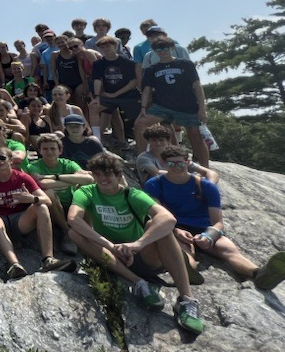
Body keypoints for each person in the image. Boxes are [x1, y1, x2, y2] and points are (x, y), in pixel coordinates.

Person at [67, 152, 204, 335]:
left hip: (144, 255)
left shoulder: (132, 195)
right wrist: (109, 245)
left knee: (158, 226)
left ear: (118, 175)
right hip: (113, 254)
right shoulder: (87, 192)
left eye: (107, 174)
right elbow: (73, 219)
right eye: (97, 174)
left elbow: (168, 218)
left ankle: (186, 300)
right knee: (74, 233)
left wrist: (136, 245)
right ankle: (140, 283)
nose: (102, 179)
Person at [143, 146, 285, 291]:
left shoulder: (205, 186)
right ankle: (188, 272)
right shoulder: (154, 185)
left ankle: (259, 274)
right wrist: (175, 231)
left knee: (228, 250)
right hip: (175, 227)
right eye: (171, 164)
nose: (176, 167)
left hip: (204, 229)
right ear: (163, 163)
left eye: (179, 163)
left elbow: (218, 223)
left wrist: (208, 236)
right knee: (185, 251)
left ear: (187, 162)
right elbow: (158, 215)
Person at [0, 145, 73, 280]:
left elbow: (47, 200)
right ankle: (15, 265)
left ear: (10, 160)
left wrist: (31, 199)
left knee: (41, 207)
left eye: (2, 157)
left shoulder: (23, 178)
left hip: (21, 220)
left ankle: (48, 259)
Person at [134, 36, 210, 168]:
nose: (162, 51)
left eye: (165, 48)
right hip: (162, 106)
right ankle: (143, 161)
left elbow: (197, 86)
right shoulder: (152, 69)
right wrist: (143, 107)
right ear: (154, 51)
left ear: (172, 48)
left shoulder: (185, 64)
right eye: (158, 49)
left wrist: (202, 109)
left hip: (187, 106)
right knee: (140, 123)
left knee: (195, 136)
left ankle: (205, 168)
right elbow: (146, 89)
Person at [24, 134, 95, 254]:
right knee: (49, 193)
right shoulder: (34, 166)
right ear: (40, 151)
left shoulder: (68, 163)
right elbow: (43, 184)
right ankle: (66, 231)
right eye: (45, 149)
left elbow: (88, 179)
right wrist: (71, 181)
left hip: (72, 203)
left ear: (60, 150)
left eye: (53, 149)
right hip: (53, 207)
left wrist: (55, 177)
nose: (49, 152)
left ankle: (89, 231)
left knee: (85, 189)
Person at [92, 36, 140, 147]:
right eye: (102, 47)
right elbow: (97, 80)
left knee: (138, 120)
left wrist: (115, 94)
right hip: (108, 96)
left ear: (115, 46)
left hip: (127, 95)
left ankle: (139, 143)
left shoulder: (127, 62)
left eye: (108, 46)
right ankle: (97, 140)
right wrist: (97, 96)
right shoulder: (98, 64)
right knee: (95, 107)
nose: (105, 49)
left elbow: (133, 82)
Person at [135, 124, 218, 185]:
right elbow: (156, 173)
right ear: (148, 141)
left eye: (161, 140)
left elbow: (210, 173)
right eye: (154, 140)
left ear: (168, 141)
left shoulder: (175, 155)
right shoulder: (144, 158)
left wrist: (210, 186)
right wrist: (190, 177)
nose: (158, 143)